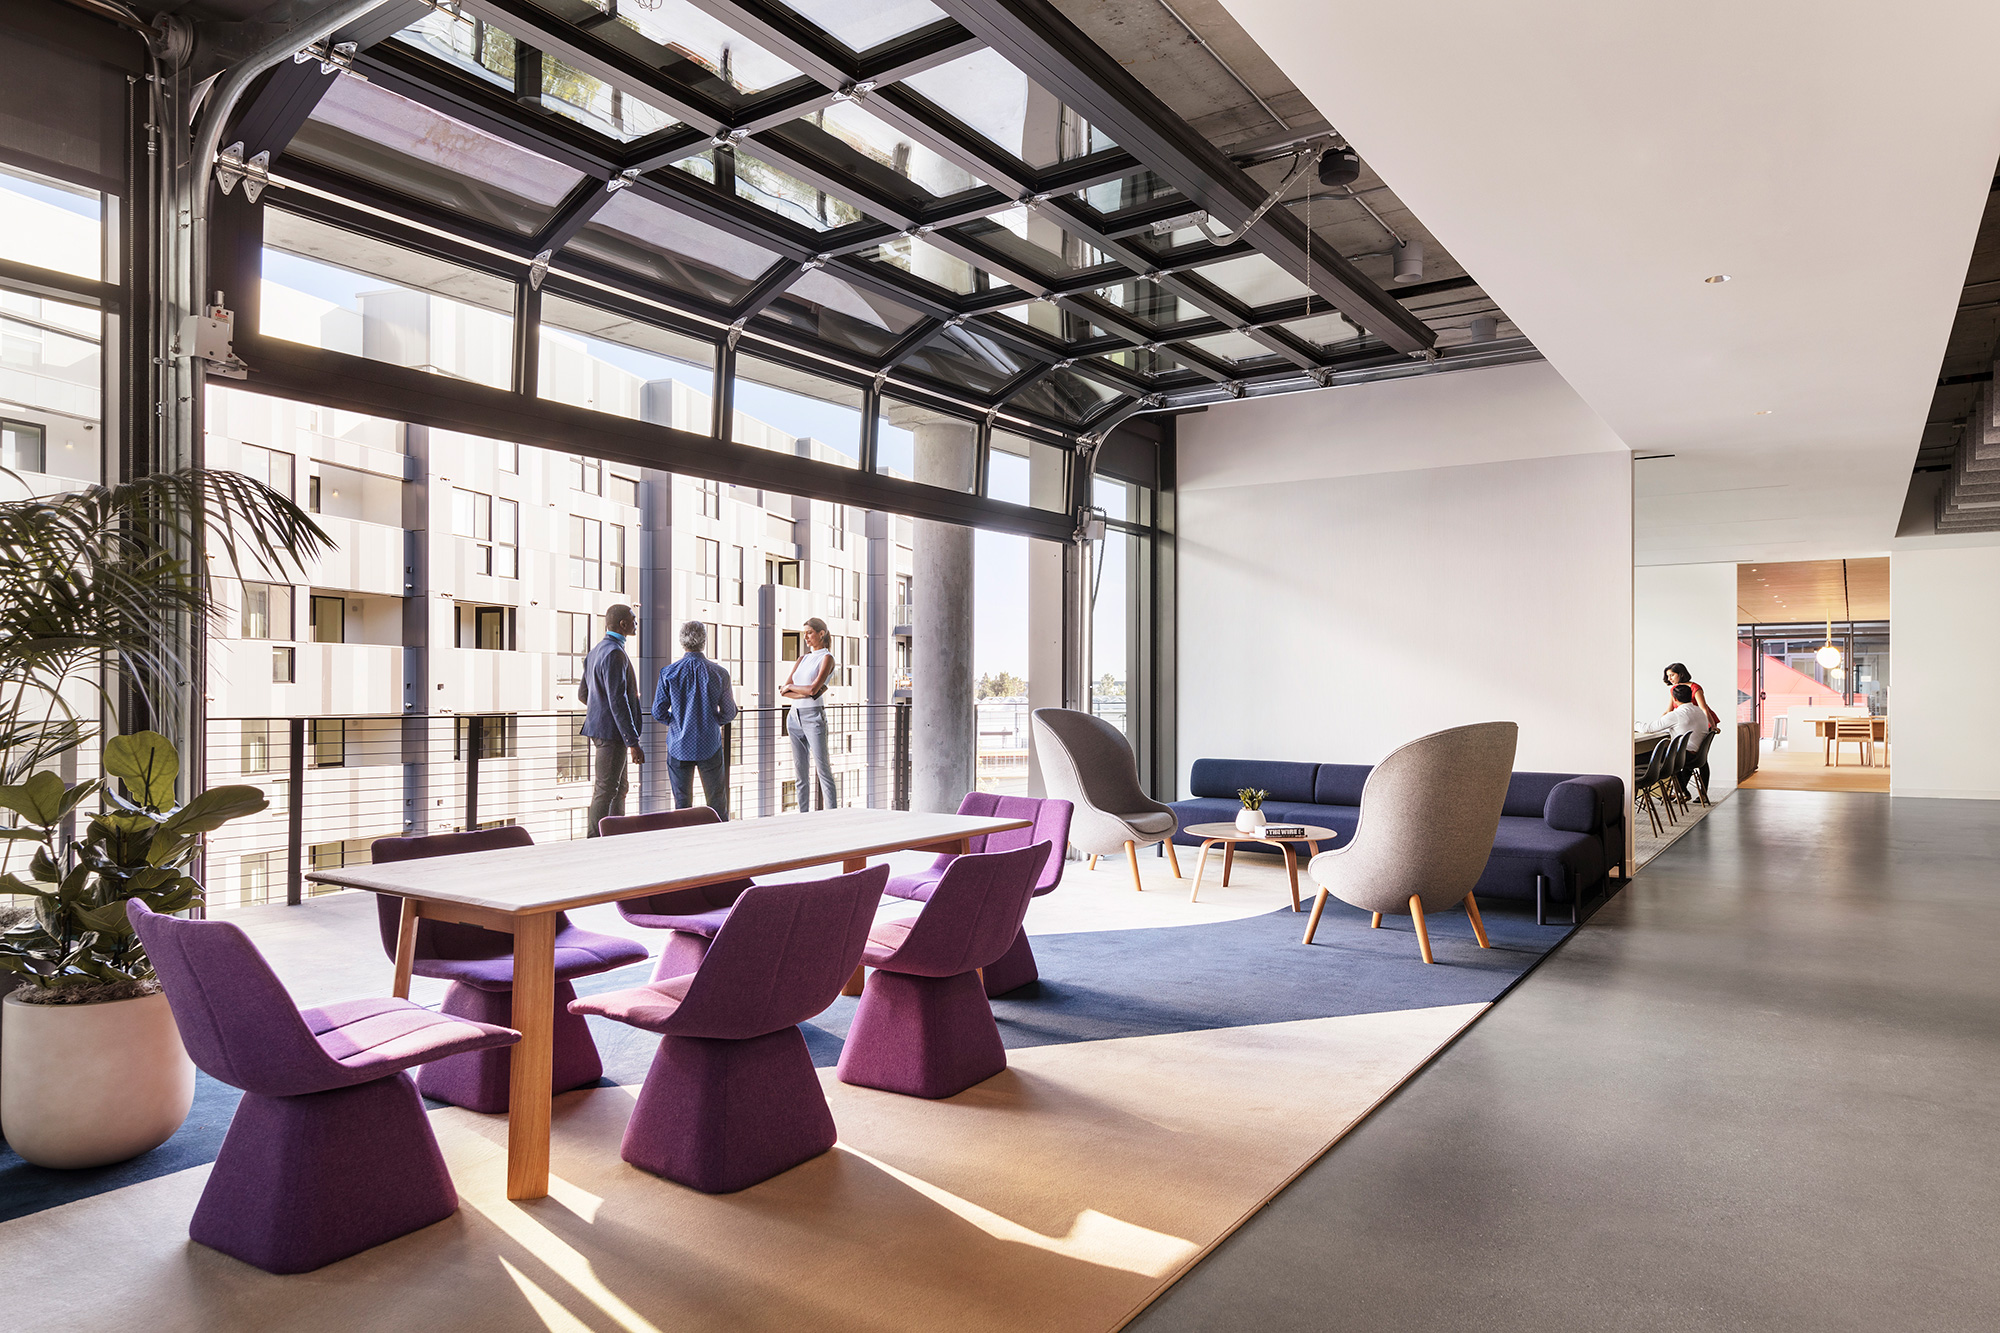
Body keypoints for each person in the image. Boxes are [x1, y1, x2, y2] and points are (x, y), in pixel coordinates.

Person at [652, 620, 738, 818]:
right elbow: (728, 712)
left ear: (682, 643)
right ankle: (720, 840)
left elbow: (658, 711)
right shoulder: (719, 673)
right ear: (704, 641)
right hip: (709, 743)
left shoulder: (668, 673)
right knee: (716, 800)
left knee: (682, 803)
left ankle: (685, 843)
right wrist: (713, 720)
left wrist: (676, 723)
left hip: (678, 745)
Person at [576, 603, 644, 836]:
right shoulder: (615, 653)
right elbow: (618, 700)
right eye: (633, 620)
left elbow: (583, 695)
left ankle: (616, 833)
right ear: (623, 624)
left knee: (620, 787)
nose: (636, 624)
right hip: (611, 733)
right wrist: (633, 742)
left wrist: (602, 709)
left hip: (602, 729)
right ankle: (595, 840)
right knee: (605, 789)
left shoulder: (596, 651)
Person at [782, 617, 838, 811]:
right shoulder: (802, 659)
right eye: (804, 632)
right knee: (800, 773)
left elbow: (814, 690)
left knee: (823, 770)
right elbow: (784, 690)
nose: (805, 636)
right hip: (793, 716)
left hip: (813, 717)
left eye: (809, 632)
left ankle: (832, 815)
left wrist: (795, 688)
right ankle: (803, 815)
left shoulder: (827, 658)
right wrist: (803, 690)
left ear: (821, 633)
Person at [1663, 662, 1721, 731]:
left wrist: (1712, 725)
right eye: (1668, 676)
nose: (1669, 679)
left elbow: (1703, 708)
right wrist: (1659, 723)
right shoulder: (1674, 690)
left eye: (1672, 675)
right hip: (1690, 721)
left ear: (1681, 674)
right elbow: (1669, 710)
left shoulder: (1695, 688)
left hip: (1704, 720)